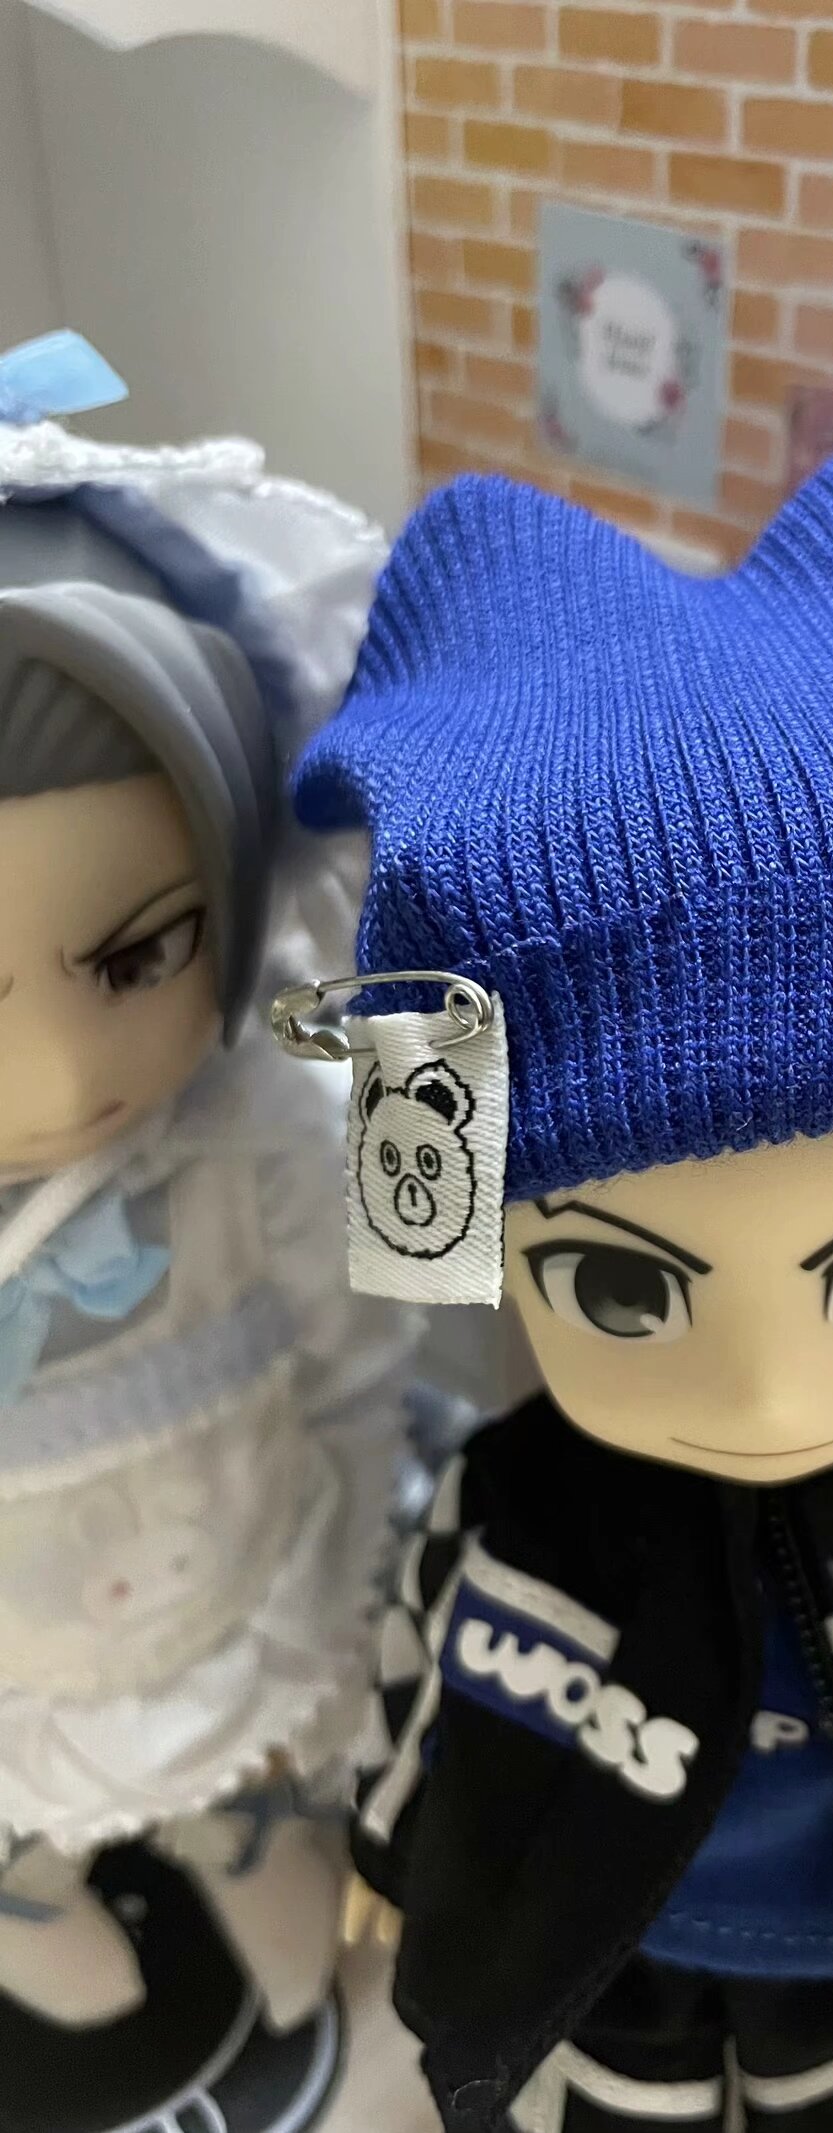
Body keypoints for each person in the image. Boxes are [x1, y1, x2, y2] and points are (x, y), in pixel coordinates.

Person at [289, 427, 833, 2133]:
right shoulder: (508, 1501)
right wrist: (394, 1851)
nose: (767, 1393)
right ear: (487, 1248)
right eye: (624, 1292)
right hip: (586, 1951)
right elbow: (419, 1669)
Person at [0, 470, 412, 2133]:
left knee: (272, 1822)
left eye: (138, 955)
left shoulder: (265, 1120)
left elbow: (358, 1349)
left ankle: (226, 1809)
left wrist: (347, 1574)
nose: (59, 1076)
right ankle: (25, 1864)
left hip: (234, 1590)